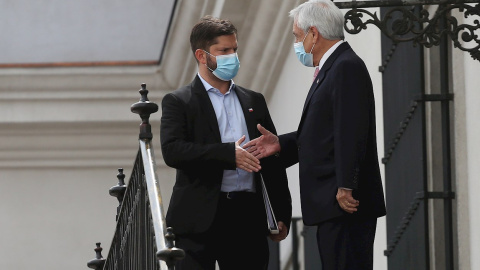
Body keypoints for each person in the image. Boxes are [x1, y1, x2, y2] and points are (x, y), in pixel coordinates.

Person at [243, 1, 386, 269]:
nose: (297, 43)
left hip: (345, 203)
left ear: (314, 33)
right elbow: (323, 132)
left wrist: (346, 185)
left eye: (298, 36)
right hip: (333, 205)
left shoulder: (345, 66)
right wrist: (280, 144)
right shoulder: (331, 70)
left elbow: (351, 129)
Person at [160, 15, 292, 270]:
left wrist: (280, 213)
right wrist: (228, 155)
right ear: (202, 55)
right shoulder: (179, 101)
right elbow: (173, 151)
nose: (232, 56)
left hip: (246, 217)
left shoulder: (254, 100)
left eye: (235, 50)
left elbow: (272, 159)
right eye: (224, 50)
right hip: (198, 219)